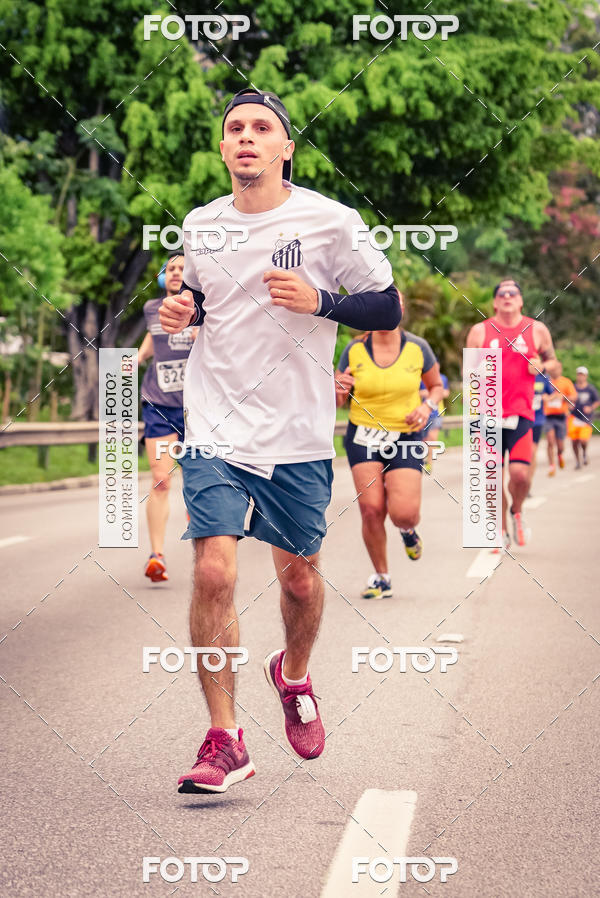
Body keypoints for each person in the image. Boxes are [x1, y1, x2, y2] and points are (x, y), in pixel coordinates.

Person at [158, 87, 402, 793]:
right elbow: (204, 301)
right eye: (235, 127)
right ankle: (225, 738)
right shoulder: (201, 225)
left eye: (262, 128)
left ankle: (293, 675)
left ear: (284, 148)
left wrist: (322, 301)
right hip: (215, 425)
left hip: (295, 433)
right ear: (223, 145)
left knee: (298, 579)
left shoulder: (330, 221)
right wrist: (184, 307)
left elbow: (386, 304)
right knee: (213, 572)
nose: (246, 137)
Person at [335, 327, 443, 600]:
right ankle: (382, 577)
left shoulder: (418, 347)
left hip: (405, 435)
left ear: (399, 309)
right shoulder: (354, 349)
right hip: (363, 435)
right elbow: (339, 399)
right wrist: (339, 389)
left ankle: (407, 530)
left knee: (403, 513)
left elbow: (437, 387)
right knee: (371, 509)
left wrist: (426, 407)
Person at [466, 279, 558, 548]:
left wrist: (542, 364)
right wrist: (475, 374)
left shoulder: (537, 330)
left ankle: (517, 511)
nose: (507, 297)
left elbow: (555, 364)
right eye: (502, 294)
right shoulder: (479, 331)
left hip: (522, 414)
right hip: (486, 416)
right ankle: (499, 530)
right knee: (491, 478)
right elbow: (467, 371)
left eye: (513, 293)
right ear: (495, 302)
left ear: (520, 300)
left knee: (519, 475)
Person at [138, 250, 196, 582]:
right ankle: (156, 556)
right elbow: (153, 342)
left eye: (182, 268)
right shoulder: (151, 309)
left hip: (197, 408)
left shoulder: (207, 310)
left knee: (198, 480)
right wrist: (131, 360)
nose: (175, 272)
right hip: (160, 404)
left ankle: (201, 528)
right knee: (161, 480)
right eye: (170, 268)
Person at [543, 361, 577, 476]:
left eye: (557, 369)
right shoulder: (545, 380)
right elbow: (539, 393)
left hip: (561, 416)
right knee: (550, 440)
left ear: (560, 369)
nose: (554, 371)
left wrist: (563, 397)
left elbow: (574, 396)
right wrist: (547, 398)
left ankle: (559, 455)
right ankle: (552, 465)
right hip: (548, 416)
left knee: (560, 445)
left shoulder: (566, 382)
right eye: (553, 369)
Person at [568, 366, 599, 468]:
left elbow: (597, 401)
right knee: (574, 441)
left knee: (583, 440)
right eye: (579, 374)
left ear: (586, 376)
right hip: (574, 417)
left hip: (585, 418)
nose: (580, 377)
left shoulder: (590, 389)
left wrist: (591, 408)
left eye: (582, 375)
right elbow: (568, 399)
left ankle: (584, 453)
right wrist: (569, 404)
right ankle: (577, 461)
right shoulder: (573, 387)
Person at [420, 371, 450, 473]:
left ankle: (429, 463)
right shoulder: (420, 377)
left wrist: (435, 393)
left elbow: (446, 393)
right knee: (423, 439)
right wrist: (433, 393)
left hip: (437, 414)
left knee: (432, 439)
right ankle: (421, 460)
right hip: (422, 413)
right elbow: (417, 392)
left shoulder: (443, 378)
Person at [529, 371, 554, 490]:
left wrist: (547, 398)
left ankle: (528, 482)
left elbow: (553, 394)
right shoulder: (519, 372)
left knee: (532, 453)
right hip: (520, 418)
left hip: (537, 420)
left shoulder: (543, 377)